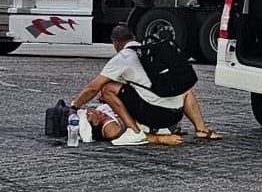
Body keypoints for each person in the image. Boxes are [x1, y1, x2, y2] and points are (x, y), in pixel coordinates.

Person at [70, 24, 223, 146]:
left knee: (107, 88)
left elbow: (93, 88)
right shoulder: (152, 51)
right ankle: (202, 129)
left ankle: (134, 132)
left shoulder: (122, 57)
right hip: (175, 116)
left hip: (156, 117)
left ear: (115, 44)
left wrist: (75, 106)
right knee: (184, 88)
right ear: (134, 37)